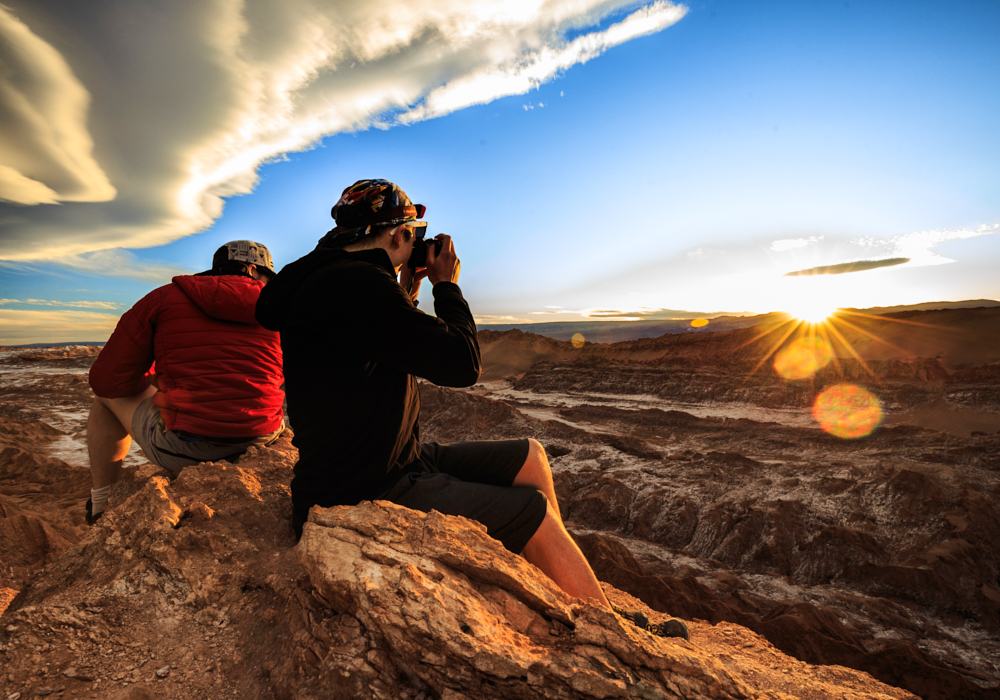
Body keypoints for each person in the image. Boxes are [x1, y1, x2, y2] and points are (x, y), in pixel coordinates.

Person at [255, 180, 688, 639]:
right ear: (398, 235)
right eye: (415, 232)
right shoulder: (359, 284)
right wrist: (446, 286)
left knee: (529, 456)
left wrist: (406, 288)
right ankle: (611, 633)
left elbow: (378, 338)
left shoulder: (331, 279)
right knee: (533, 512)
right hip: (367, 484)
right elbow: (462, 365)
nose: (418, 242)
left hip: (394, 458)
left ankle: (555, 584)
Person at [86, 240, 285, 525]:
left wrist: (153, 384)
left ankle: (100, 505)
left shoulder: (163, 298)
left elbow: (106, 381)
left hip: (188, 450)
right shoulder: (282, 307)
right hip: (265, 436)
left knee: (103, 401)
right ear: (253, 270)